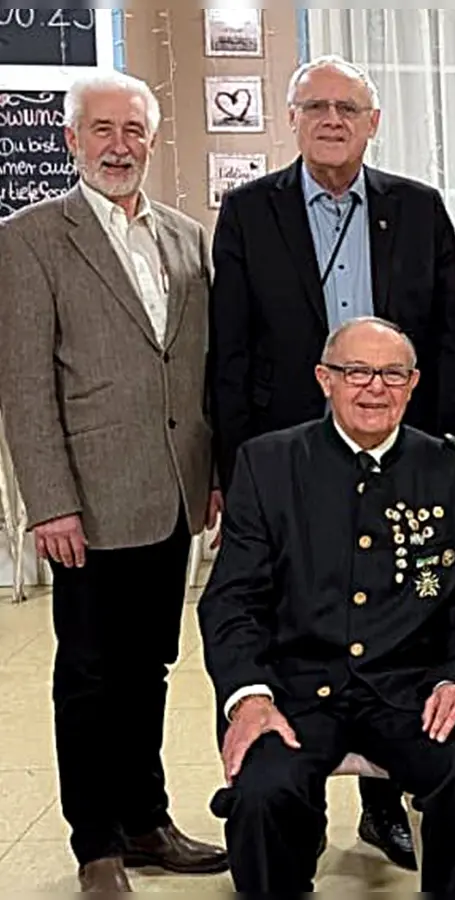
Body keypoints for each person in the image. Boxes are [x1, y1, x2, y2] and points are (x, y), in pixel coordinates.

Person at [207, 54, 455, 865]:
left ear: (373, 122)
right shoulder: (252, 211)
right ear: (292, 119)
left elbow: (450, 342)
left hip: (399, 445)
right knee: (302, 617)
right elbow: (230, 346)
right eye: (316, 106)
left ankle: (383, 803)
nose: (332, 120)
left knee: (395, 613)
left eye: (348, 108)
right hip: (288, 458)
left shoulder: (419, 209)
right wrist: (229, 467)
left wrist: (443, 455)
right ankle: (296, 789)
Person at [0, 70, 227, 891]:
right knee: (89, 674)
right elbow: (23, 386)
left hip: (171, 492)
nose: (118, 145)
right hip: (87, 502)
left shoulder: (184, 236)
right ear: (71, 140)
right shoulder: (30, 239)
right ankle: (95, 841)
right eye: (101, 129)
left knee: (152, 666)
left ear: (154, 141)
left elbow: (193, 369)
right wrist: (49, 501)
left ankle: (146, 820)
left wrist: (212, 475)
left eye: (133, 130)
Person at [198, 317, 455, 892]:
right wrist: (248, 697)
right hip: (295, 690)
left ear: (413, 384)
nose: (374, 388)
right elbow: (231, 601)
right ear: (324, 379)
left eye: (392, 374)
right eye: (356, 371)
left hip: (410, 689)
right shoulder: (268, 465)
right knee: (262, 790)